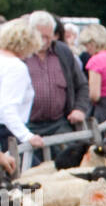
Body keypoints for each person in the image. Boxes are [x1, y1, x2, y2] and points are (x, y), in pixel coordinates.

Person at [24, 8, 90, 164]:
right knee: (28, 174)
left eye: (48, 36)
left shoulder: (63, 52)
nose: (44, 41)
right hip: (28, 126)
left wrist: (79, 109)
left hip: (59, 123)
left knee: (68, 166)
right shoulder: (22, 54)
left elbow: (81, 85)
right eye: (40, 36)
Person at [0, 17, 43, 171]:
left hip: (7, 129)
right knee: (31, 181)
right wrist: (27, 136)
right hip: (8, 133)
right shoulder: (15, 67)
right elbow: (7, 108)